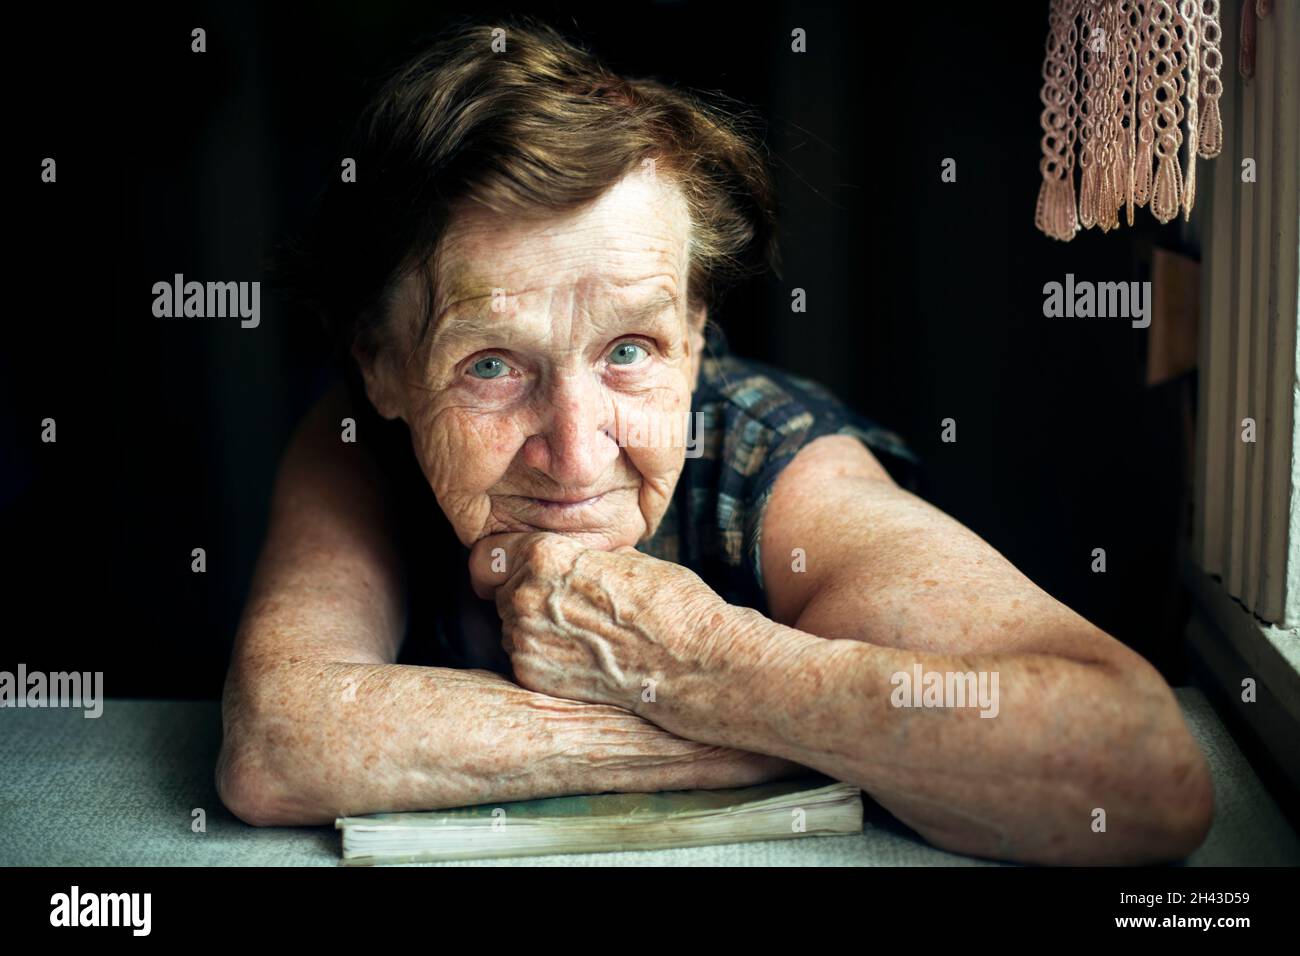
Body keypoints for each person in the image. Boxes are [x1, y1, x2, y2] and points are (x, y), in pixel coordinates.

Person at [216, 18, 1212, 865]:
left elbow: (1141, 768)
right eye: (491, 365)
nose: (574, 451)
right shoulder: (360, 442)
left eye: (631, 349)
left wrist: (699, 660)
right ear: (385, 367)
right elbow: (279, 741)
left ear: (696, 337)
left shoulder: (777, 460)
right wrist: (790, 733)